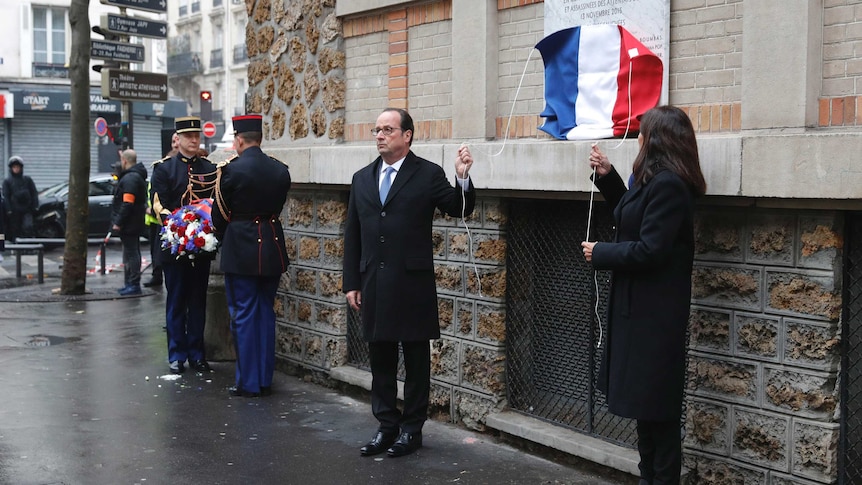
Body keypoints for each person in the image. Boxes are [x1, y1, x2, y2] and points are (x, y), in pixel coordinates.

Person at [581, 105, 707, 485]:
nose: (637, 138)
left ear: (657, 140)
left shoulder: (670, 185)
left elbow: (652, 248)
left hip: (655, 319)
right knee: (645, 411)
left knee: (658, 413)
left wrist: (600, 252)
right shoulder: (654, 181)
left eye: (642, 133)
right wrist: (608, 176)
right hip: (639, 313)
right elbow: (630, 214)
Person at [343, 108, 476, 458]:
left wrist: (462, 177)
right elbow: (352, 233)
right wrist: (351, 282)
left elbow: (458, 208)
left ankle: (411, 429)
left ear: (407, 136)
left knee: (416, 360)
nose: (380, 135)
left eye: (388, 129)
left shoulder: (427, 174)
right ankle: (386, 426)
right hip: (373, 281)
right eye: (377, 130)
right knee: (380, 359)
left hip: (412, 283)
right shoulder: (361, 178)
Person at [212, 114, 292, 398]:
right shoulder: (280, 170)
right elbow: (278, 208)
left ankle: (248, 383)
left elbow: (219, 216)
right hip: (271, 248)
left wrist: (225, 236)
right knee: (265, 314)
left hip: (241, 249)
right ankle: (264, 379)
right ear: (260, 138)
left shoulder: (230, 171)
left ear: (238, 140)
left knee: (243, 315)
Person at [151, 117, 218, 375]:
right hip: (175, 247)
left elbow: (213, 202)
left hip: (201, 247)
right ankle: (177, 354)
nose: (193, 140)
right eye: (188, 136)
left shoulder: (209, 168)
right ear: (177, 139)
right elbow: (160, 205)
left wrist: (202, 228)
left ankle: (197, 354)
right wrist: (182, 228)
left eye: (196, 136)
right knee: (177, 301)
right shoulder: (164, 169)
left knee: (198, 301)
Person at [144, 132, 179, 288]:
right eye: (173, 141)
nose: (176, 144)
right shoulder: (162, 168)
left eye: (178, 140)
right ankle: (156, 274)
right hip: (159, 220)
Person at [111, 149, 148, 296]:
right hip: (133, 221)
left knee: (132, 253)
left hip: (130, 223)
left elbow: (127, 203)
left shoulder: (130, 179)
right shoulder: (134, 177)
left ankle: (133, 284)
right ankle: (130, 283)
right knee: (131, 252)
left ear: (124, 161)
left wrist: (118, 222)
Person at [3, 156, 38, 242]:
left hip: (27, 210)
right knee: (15, 230)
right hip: (14, 211)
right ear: (11, 168)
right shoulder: (7, 181)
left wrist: (35, 206)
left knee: (28, 227)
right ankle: (17, 248)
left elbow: (34, 193)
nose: (16, 169)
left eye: (17, 167)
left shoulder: (27, 180)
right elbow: (6, 196)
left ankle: (29, 247)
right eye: (14, 167)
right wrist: (8, 210)